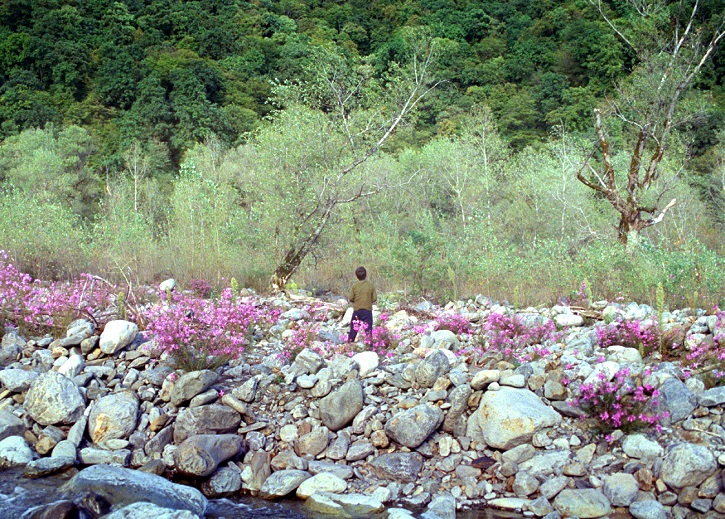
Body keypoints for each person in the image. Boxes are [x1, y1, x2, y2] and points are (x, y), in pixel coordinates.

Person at [347, 266, 376, 343]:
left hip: (357, 310)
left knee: (353, 329)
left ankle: (349, 345)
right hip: (367, 311)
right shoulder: (370, 285)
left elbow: (351, 298)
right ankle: (370, 346)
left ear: (356, 276)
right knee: (368, 330)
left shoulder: (354, 286)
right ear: (366, 275)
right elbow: (374, 299)